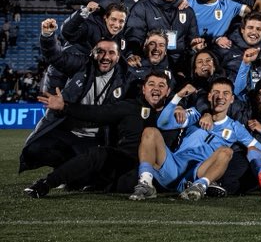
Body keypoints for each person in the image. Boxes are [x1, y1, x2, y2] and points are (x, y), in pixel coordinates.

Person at [24, 72, 174, 198]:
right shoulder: (128, 107)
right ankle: (47, 183)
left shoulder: (176, 114)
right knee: (98, 153)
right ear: (143, 89)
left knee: (126, 183)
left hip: (153, 169)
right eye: (151, 84)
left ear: (168, 91)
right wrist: (65, 107)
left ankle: (96, 183)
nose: (156, 88)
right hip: (123, 160)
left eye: (161, 85)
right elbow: (96, 113)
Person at [131, 78, 261, 201]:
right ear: (209, 96)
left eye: (226, 93)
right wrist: (178, 97)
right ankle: (146, 184)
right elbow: (163, 123)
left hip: (198, 172)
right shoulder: (195, 115)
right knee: (150, 131)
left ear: (232, 99)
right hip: (173, 166)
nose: (220, 97)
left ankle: (199, 187)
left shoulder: (236, 128)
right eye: (216, 92)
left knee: (226, 151)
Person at [21, 33, 130, 173]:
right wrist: (47, 37)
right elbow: (56, 56)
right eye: (100, 51)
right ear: (92, 53)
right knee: (34, 149)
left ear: (119, 56)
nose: (106, 57)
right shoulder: (80, 65)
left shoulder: (125, 80)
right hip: (69, 133)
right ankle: (64, 167)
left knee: (94, 172)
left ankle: (74, 172)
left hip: (97, 138)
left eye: (111, 53)